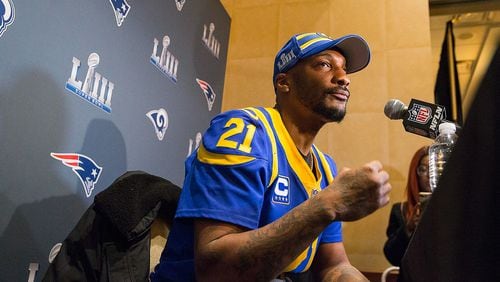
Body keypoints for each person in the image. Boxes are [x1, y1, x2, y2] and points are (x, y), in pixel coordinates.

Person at [151, 32, 392, 282]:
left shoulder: (325, 167)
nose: (343, 79)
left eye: (344, 69)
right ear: (283, 82)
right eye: (324, 64)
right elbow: (216, 271)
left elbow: (334, 266)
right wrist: (327, 205)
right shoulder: (243, 132)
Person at [383, 146, 431, 267]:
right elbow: (393, 257)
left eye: (435, 168)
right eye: (423, 169)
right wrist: (408, 228)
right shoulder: (400, 210)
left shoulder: (454, 208)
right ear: (415, 174)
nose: (430, 175)